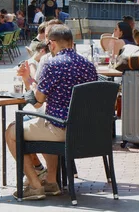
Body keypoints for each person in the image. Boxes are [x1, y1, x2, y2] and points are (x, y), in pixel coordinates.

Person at [5, 25, 97, 201]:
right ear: (71, 42)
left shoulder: (51, 64)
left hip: (60, 129)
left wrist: (29, 83)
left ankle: (34, 184)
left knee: (12, 131)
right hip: (85, 130)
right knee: (44, 125)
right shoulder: (88, 66)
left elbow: (39, 100)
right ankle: (51, 182)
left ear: (52, 44)